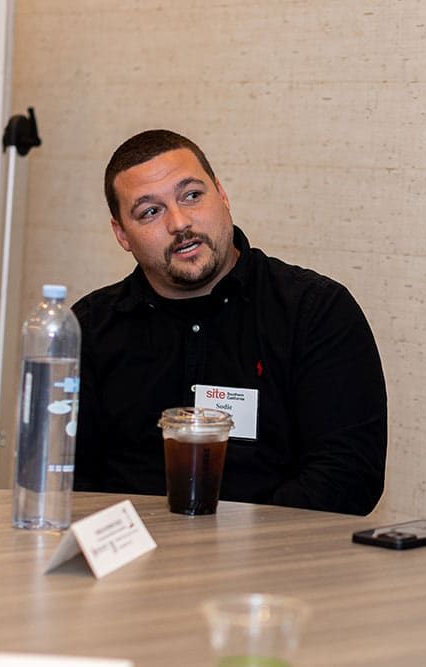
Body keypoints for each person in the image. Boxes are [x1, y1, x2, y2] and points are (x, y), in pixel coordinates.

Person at [72, 129, 387, 515]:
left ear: (222, 195)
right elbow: (65, 480)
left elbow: (348, 477)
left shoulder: (314, 311)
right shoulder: (88, 330)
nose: (179, 222)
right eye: (150, 211)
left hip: (279, 548)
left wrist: (237, 541)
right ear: (122, 234)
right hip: (132, 548)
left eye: (192, 195)